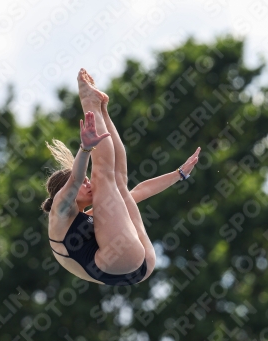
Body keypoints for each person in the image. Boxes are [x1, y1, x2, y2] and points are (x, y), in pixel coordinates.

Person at [41, 69, 201, 286]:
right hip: (118, 264)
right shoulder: (59, 212)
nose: (87, 183)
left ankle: (98, 107)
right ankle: (87, 102)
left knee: (118, 183)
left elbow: (138, 192)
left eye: (87, 181)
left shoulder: (92, 212)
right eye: (83, 183)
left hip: (141, 262)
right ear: (65, 191)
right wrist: (85, 149)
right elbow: (77, 178)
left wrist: (179, 174)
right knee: (103, 175)